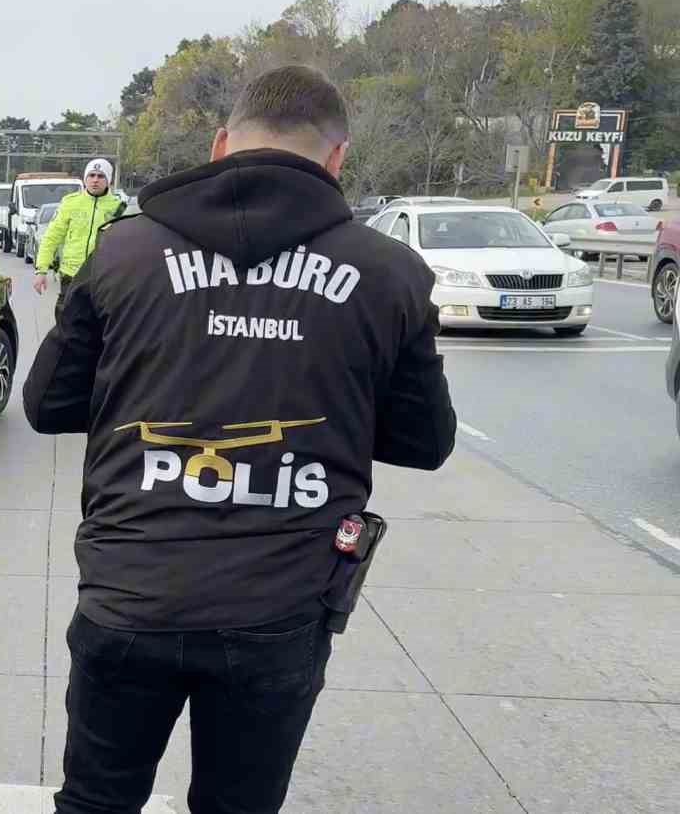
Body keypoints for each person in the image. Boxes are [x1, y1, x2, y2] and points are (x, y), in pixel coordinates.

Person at [23, 65, 457, 814]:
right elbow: (424, 440)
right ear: (338, 158)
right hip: (278, 612)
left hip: (131, 595)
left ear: (222, 143)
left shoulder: (122, 253)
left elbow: (48, 404)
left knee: (96, 802)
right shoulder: (390, 273)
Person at [34, 158, 126, 321]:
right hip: (72, 276)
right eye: (91, 175)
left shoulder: (119, 207)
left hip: (103, 278)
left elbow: (127, 245)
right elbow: (51, 238)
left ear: (109, 180)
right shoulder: (70, 203)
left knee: (98, 327)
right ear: (85, 178)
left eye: (100, 176)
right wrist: (41, 270)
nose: (95, 180)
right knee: (66, 324)